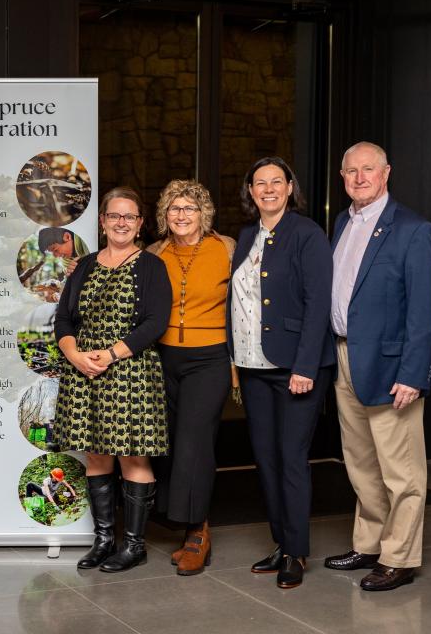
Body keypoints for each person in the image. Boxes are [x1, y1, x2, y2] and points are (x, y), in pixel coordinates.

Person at [323, 142, 431, 591]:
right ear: (342, 175)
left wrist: (414, 373)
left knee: (402, 469)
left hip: (393, 368)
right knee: (360, 463)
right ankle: (369, 543)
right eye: (351, 171)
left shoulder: (413, 229)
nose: (359, 177)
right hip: (345, 357)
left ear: (386, 172)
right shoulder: (343, 222)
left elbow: (425, 312)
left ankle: (400, 557)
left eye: (368, 169)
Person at [53, 186, 172, 573]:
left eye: (129, 217)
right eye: (114, 216)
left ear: (140, 225)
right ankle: (104, 540)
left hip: (130, 372)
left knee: (132, 456)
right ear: (103, 222)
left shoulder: (152, 266)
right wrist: (74, 353)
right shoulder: (84, 265)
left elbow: (156, 322)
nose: (121, 222)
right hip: (83, 372)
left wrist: (110, 354)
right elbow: (65, 319)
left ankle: (134, 545)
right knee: (96, 454)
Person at [229, 157, 334, 589]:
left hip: (295, 367)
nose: (268, 189)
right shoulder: (246, 235)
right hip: (253, 365)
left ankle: (297, 551)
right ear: (250, 191)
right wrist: (234, 360)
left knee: (292, 459)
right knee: (267, 460)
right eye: (260, 183)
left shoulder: (307, 234)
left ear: (290, 187)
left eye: (277, 181)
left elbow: (318, 303)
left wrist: (306, 365)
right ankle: (280, 541)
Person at [145, 179, 236, 576]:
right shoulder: (153, 253)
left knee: (194, 442)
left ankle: (198, 532)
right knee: (166, 442)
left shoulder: (227, 249)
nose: (182, 216)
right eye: (174, 209)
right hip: (162, 358)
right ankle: (182, 519)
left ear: (204, 214)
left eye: (190, 209)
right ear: (165, 216)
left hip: (209, 359)